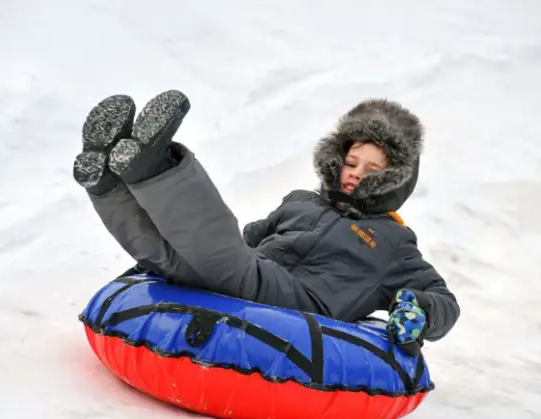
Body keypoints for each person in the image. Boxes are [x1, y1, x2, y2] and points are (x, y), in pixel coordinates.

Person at [72, 90, 460, 355]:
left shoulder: (392, 242)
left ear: (397, 179)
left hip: (300, 307)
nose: (356, 173)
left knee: (227, 260)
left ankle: (152, 166)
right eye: (352, 162)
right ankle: (108, 182)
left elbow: (443, 300)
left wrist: (421, 310)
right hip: (251, 274)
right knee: (169, 258)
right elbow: (245, 239)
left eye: (373, 168)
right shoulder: (301, 203)